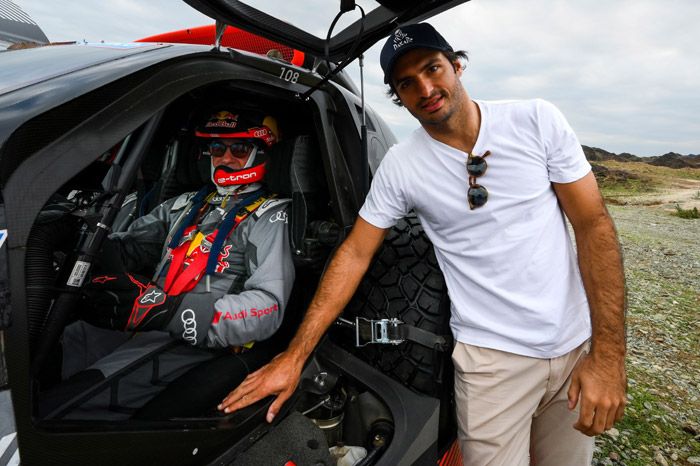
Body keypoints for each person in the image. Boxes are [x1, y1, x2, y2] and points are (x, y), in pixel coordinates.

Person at [218, 23, 627, 465]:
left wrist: (607, 357)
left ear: (456, 65)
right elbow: (355, 252)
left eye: (433, 69)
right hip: (491, 364)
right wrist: (293, 356)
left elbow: (593, 226)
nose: (426, 88)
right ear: (398, 96)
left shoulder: (535, 120)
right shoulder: (403, 166)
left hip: (573, 346)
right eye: (406, 83)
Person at [41, 108, 295, 420]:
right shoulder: (188, 203)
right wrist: (75, 234)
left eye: (238, 149)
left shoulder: (270, 216)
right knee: (46, 351)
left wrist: (174, 311)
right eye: (217, 148)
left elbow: (269, 307)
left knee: (61, 407)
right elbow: (130, 245)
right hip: (146, 318)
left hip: (197, 339)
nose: (225, 158)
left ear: (262, 153)